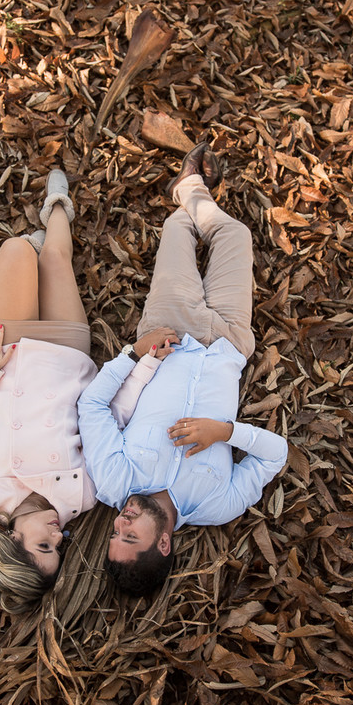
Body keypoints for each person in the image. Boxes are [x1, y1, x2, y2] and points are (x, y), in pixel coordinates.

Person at [76, 142, 289, 597]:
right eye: (130, 535)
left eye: (115, 533)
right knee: (236, 237)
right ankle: (194, 190)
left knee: (177, 233)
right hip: (230, 343)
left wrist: (133, 353)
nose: (120, 522)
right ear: (166, 542)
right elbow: (276, 455)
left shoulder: (116, 482)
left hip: (169, 330)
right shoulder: (219, 504)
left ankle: (189, 192)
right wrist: (224, 432)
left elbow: (91, 405)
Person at [0, 169, 96, 610]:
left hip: (7, 353)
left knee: (13, 250)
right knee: (54, 260)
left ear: (13, 539)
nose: (56, 536)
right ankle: (59, 206)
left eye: (43, 546)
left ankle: (27, 253)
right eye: (59, 547)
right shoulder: (81, 495)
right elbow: (104, 421)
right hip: (67, 355)